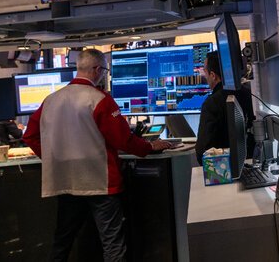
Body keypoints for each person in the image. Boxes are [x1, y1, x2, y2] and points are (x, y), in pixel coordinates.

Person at [23, 49, 172, 261]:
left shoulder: (50, 100)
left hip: (66, 182)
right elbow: (123, 140)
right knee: (112, 244)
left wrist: (54, 159)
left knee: (62, 243)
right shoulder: (99, 100)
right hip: (100, 182)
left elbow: (30, 137)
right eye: (104, 71)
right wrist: (149, 147)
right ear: (97, 70)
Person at [195, 51, 254, 164]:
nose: (205, 77)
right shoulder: (249, 94)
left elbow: (203, 153)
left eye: (206, 72)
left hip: (224, 170)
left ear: (213, 75)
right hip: (251, 163)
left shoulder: (212, 103)